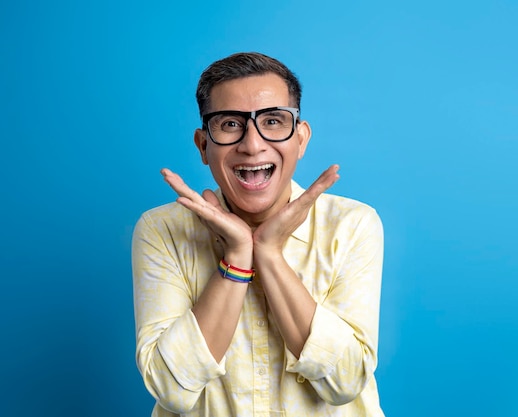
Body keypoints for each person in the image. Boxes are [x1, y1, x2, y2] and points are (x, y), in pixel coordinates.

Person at [132, 52, 385, 416]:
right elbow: (172, 389)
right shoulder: (163, 230)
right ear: (203, 145)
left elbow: (344, 383)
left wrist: (267, 252)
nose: (252, 144)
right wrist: (237, 256)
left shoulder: (352, 225)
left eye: (273, 121)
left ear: (301, 139)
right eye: (230, 124)